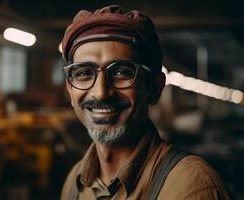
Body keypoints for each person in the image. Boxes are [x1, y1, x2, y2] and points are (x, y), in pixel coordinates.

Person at [60, 5, 234, 200]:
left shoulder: (192, 187)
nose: (101, 93)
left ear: (154, 87)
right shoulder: (75, 182)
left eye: (121, 72)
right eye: (84, 73)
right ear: (69, 88)